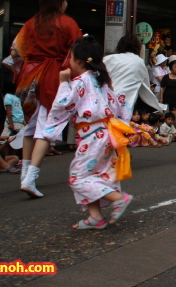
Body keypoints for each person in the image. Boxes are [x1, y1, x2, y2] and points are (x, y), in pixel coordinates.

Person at [42, 35, 134, 229]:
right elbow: (118, 105)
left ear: (79, 61)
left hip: (92, 136)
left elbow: (64, 104)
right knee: (94, 174)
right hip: (105, 134)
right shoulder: (101, 81)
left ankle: (119, 198)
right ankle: (96, 217)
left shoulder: (81, 82)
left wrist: (63, 83)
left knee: (78, 177)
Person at [15, 0, 82, 198]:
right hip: (52, 76)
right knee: (47, 127)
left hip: (28, 76)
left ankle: (24, 173)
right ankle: (31, 177)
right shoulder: (67, 23)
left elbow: (16, 49)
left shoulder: (30, 23)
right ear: (59, 2)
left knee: (30, 126)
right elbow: (78, 50)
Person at [103, 35, 162, 114]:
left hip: (104, 101)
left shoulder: (108, 58)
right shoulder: (139, 61)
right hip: (124, 104)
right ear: (137, 47)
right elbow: (146, 87)